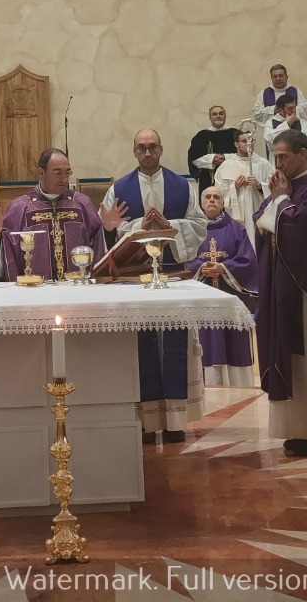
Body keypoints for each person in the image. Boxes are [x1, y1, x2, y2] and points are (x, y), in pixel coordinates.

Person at [105, 128, 205, 442]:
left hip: (173, 274)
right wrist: (138, 226)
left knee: (176, 346)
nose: (147, 154)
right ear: (134, 151)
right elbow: (108, 227)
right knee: (140, 346)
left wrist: (169, 226)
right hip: (134, 277)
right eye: (141, 148)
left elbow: (199, 224)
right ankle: (147, 423)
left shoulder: (183, 186)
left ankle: (175, 421)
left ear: (161, 149)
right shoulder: (119, 188)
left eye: (152, 148)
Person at [255, 128, 307, 456]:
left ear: (303, 154)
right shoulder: (286, 188)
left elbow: (301, 228)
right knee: (296, 362)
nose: (277, 164)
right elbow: (264, 223)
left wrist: (280, 201)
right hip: (286, 290)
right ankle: (301, 429)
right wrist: (278, 202)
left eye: (283, 157)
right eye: (274, 157)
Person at [0, 148, 112, 281]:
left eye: (67, 172)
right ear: (41, 173)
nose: (64, 179)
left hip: (77, 290)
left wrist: (108, 230)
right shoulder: (21, 207)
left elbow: (99, 245)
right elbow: (7, 254)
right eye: (57, 172)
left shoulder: (82, 204)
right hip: (36, 293)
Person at [187, 185, 257, 387]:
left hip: (229, 294)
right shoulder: (192, 229)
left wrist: (224, 268)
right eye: (207, 197)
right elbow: (184, 259)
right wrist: (200, 268)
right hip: (202, 297)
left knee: (232, 338)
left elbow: (248, 260)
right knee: (206, 338)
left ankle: (237, 381)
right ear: (201, 202)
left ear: (223, 202)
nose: (211, 200)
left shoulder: (237, 228)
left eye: (216, 197)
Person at [215, 129, 272, 247]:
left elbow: (275, 188)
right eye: (245, 141)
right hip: (238, 215)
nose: (249, 144)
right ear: (236, 144)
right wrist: (234, 188)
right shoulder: (226, 166)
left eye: (251, 140)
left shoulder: (263, 164)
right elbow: (218, 193)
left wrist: (259, 185)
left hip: (258, 211)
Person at [186, 104, 238, 192]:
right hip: (208, 180)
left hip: (233, 179)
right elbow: (194, 159)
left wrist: (225, 157)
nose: (218, 116)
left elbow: (244, 156)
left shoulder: (235, 134)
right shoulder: (202, 136)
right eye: (214, 114)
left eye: (221, 114)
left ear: (225, 116)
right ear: (210, 117)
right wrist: (212, 159)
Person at [253, 64, 303, 131]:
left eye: (281, 75)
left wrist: (289, 110)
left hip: (294, 130)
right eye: (275, 76)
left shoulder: (297, 92)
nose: (278, 78)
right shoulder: (263, 94)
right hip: (271, 131)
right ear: (271, 78)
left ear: (287, 77)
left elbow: (304, 111)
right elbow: (257, 113)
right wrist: (273, 110)